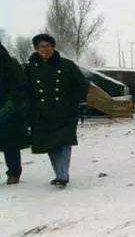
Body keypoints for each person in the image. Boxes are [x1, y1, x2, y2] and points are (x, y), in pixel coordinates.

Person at [24, 34, 89, 188]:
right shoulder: (29, 68)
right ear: (36, 49)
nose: (44, 50)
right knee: (50, 145)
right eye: (41, 47)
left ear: (53, 47)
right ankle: (59, 174)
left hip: (65, 111)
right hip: (42, 113)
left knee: (64, 143)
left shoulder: (67, 65)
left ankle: (62, 175)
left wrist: (77, 102)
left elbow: (81, 84)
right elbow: (26, 91)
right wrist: (28, 108)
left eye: (47, 46)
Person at [0, 42, 30, 184]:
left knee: (10, 144)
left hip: (9, 110)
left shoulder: (10, 63)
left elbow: (20, 86)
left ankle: (14, 173)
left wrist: (10, 105)